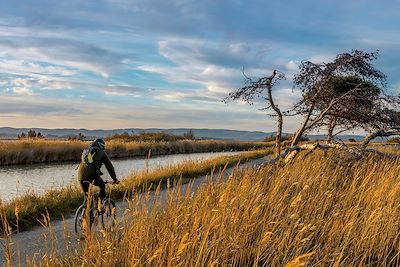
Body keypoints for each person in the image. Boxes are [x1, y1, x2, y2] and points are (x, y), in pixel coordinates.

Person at [77, 138, 119, 209]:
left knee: (87, 198)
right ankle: (100, 204)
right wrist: (114, 179)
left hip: (80, 176)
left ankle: (85, 216)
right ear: (102, 146)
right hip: (92, 175)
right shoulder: (102, 152)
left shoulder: (86, 151)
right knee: (102, 185)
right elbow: (109, 167)